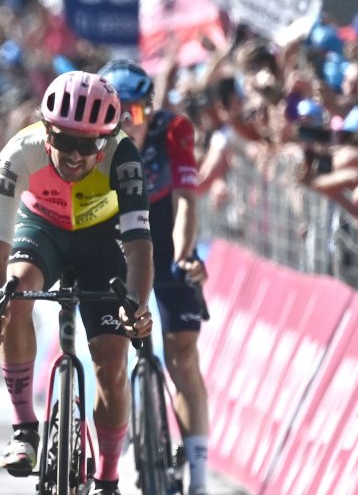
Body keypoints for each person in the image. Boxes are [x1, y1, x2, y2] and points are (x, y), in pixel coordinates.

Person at [0, 70, 154, 495]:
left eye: (89, 144)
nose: (75, 156)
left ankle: (109, 478)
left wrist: (137, 307)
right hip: (43, 229)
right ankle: (24, 431)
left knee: (111, 365)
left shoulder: (123, 157)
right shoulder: (20, 150)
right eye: (66, 142)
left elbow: (139, 246)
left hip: (101, 240)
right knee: (13, 294)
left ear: (106, 140)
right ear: (47, 132)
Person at [98, 59, 212, 495]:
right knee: (112, 350)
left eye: (138, 113)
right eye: (118, 114)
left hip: (165, 234)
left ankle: (199, 476)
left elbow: (187, 201)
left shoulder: (174, 130)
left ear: (151, 110)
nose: (129, 124)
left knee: (183, 355)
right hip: (112, 236)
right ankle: (125, 442)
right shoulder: (91, 135)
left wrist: (184, 257)